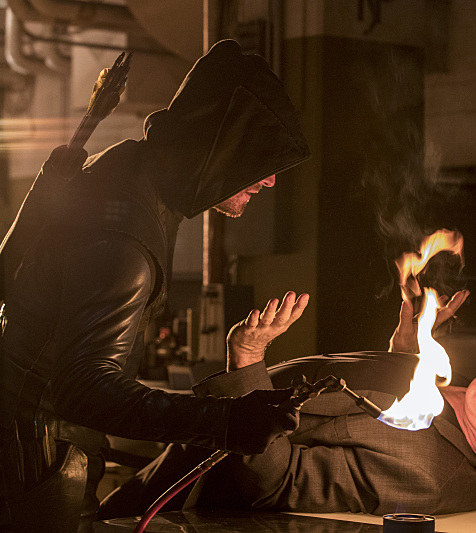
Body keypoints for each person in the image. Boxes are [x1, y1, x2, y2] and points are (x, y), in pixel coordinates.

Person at [0, 39, 311, 533]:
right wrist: (225, 422)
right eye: (259, 158)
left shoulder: (127, 174)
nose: (270, 180)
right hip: (31, 473)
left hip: (35, 455)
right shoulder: (124, 239)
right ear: (219, 146)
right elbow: (84, 389)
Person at [99, 293, 476, 518]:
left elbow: (277, 483)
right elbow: (353, 408)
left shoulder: (425, 475)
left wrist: (247, 360)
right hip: (184, 444)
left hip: (186, 488)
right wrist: (399, 357)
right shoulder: (451, 393)